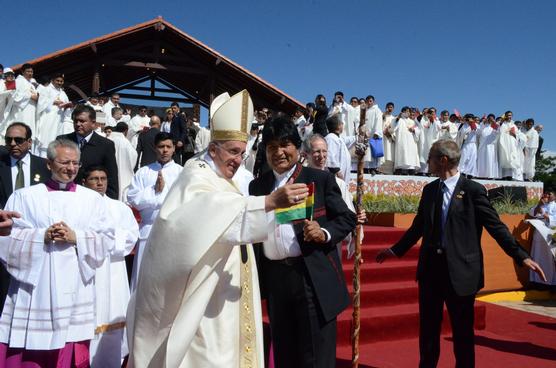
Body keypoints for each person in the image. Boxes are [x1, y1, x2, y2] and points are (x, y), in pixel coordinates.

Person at [127, 90, 304, 367]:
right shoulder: (196, 172)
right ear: (212, 149)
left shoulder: (227, 179)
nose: (238, 159)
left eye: (243, 154)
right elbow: (203, 213)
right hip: (206, 292)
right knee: (209, 354)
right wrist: (268, 202)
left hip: (231, 287)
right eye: (233, 151)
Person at [376, 139, 546, 368]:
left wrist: (521, 255)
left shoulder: (473, 190)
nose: (428, 163)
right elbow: (418, 226)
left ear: (443, 160)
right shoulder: (430, 190)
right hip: (430, 271)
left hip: (462, 273)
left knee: (463, 335)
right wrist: (395, 250)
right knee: (428, 332)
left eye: (431, 158)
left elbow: (496, 227)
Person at [249, 116, 357, 368]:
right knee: (286, 354)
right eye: (272, 146)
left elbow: (346, 218)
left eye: (285, 144)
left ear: (298, 148)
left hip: (310, 277)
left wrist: (324, 232)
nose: (279, 152)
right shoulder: (257, 186)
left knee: (315, 357)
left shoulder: (318, 180)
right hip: (276, 279)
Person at [0, 139, 116, 367]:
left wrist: (77, 237)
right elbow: (8, 240)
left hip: (76, 286)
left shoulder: (92, 199)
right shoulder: (25, 196)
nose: (71, 168)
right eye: (64, 162)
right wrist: (42, 236)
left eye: (75, 163)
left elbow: (107, 238)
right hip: (36, 287)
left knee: (70, 344)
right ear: (49, 164)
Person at [82, 166, 139, 368]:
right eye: (94, 178)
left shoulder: (119, 208)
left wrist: (103, 242)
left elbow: (131, 235)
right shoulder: (79, 206)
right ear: (84, 182)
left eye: (103, 178)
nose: (99, 183)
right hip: (88, 269)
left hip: (113, 269)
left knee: (112, 314)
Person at [126, 132, 182, 290]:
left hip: (172, 230)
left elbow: (185, 200)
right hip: (148, 229)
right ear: (154, 148)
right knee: (143, 278)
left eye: (168, 147)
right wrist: (154, 191)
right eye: (161, 146)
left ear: (173, 149)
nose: (164, 150)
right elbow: (132, 198)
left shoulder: (181, 172)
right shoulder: (144, 172)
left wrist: (163, 193)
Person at [303, 133, 366, 258]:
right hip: (304, 240)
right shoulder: (300, 181)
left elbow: (348, 215)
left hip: (329, 242)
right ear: (306, 154)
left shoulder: (339, 183)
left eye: (324, 151)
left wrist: (357, 217)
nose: (322, 156)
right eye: (316, 152)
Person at [57, 104, 120, 199]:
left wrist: (111, 202)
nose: (78, 124)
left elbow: (111, 177)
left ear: (93, 123)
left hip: (92, 199)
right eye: (75, 121)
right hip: (65, 196)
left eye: (82, 121)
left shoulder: (106, 145)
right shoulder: (62, 141)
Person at [0, 122, 50, 208]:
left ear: (29, 142)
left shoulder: (44, 166)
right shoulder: (1, 164)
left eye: (18, 140)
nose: (12, 144)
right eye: (8, 140)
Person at [35, 73, 73, 156]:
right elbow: (41, 102)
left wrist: (67, 106)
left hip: (59, 119)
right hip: (48, 117)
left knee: (56, 138)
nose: (59, 83)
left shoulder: (63, 93)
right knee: (46, 139)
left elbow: (66, 105)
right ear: (52, 80)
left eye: (61, 81)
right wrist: (54, 102)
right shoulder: (47, 89)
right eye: (57, 81)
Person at [108, 122, 138, 200]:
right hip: (123, 173)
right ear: (126, 131)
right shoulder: (126, 143)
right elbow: (134, 156)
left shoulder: (107, 139)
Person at [325, 115, 356, 183]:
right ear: (339, 126)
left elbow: (347, 140)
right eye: (342, 123)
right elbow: (329, 157)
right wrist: (336, 171)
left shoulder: (337, 138)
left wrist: (357, 137)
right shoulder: (331, 138)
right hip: (336, 176)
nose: (343, 125)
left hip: (340, 177)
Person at [392, 106, 421, 174]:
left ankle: (411, 169)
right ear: (403, 112)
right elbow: (393, 126)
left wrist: (414, 130)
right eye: (406, 111)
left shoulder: (412, 121)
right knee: (402, 152)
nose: (408, 113)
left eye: (408, 111)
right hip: (402, 140)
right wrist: (398, 118)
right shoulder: (399, 120)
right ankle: (401, 169)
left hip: (411, 141)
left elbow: (418, 130)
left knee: (411, 154)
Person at [476, 114, 500, 179]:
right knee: (482, 160)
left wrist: (494, 123)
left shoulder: (495, 126)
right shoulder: (483, 125)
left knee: (490, 160)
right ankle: (482, 175)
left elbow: (498, 132)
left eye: (492, 119)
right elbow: (478, 132)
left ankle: (490, 175)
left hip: (490, 146)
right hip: (482, 146)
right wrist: (483, 123)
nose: (490, 120)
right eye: (489, 118)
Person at [456, 114, 479, 178]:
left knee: (472, 159)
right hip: (465, 144)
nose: (468, 120)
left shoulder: (475, 125)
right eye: (467, 118)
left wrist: (472, 123)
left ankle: (470, 173)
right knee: (463, 158)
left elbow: (477, 131)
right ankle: (462, 172)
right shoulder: (463, 125)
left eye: (470, 118)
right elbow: (461, 133)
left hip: (473, 144)